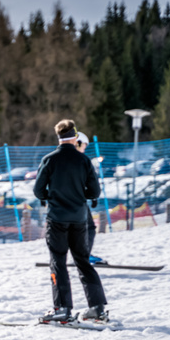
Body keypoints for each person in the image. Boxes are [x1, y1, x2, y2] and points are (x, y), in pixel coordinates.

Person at [33, 120, 108, 322]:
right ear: (75, 137)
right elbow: (94, 191)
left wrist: (53, 195)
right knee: (83, 261)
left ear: (59, 137)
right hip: (79, 219)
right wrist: (78, 193)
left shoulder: (50, 160)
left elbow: (38, 190)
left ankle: (62, 308)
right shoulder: (83, 161)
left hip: (57, 218)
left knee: (58, 262)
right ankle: (97, 307)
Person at [75, 133, 106, 265]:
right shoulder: (82, 160)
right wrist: (93, 196)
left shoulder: (57, 158)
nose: (84, 149)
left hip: (60, 202)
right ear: (78, 143)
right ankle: (84, 255)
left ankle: (78, 254)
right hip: (77, 202)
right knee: (89, 228)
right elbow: (90, 181)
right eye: (84, 146)